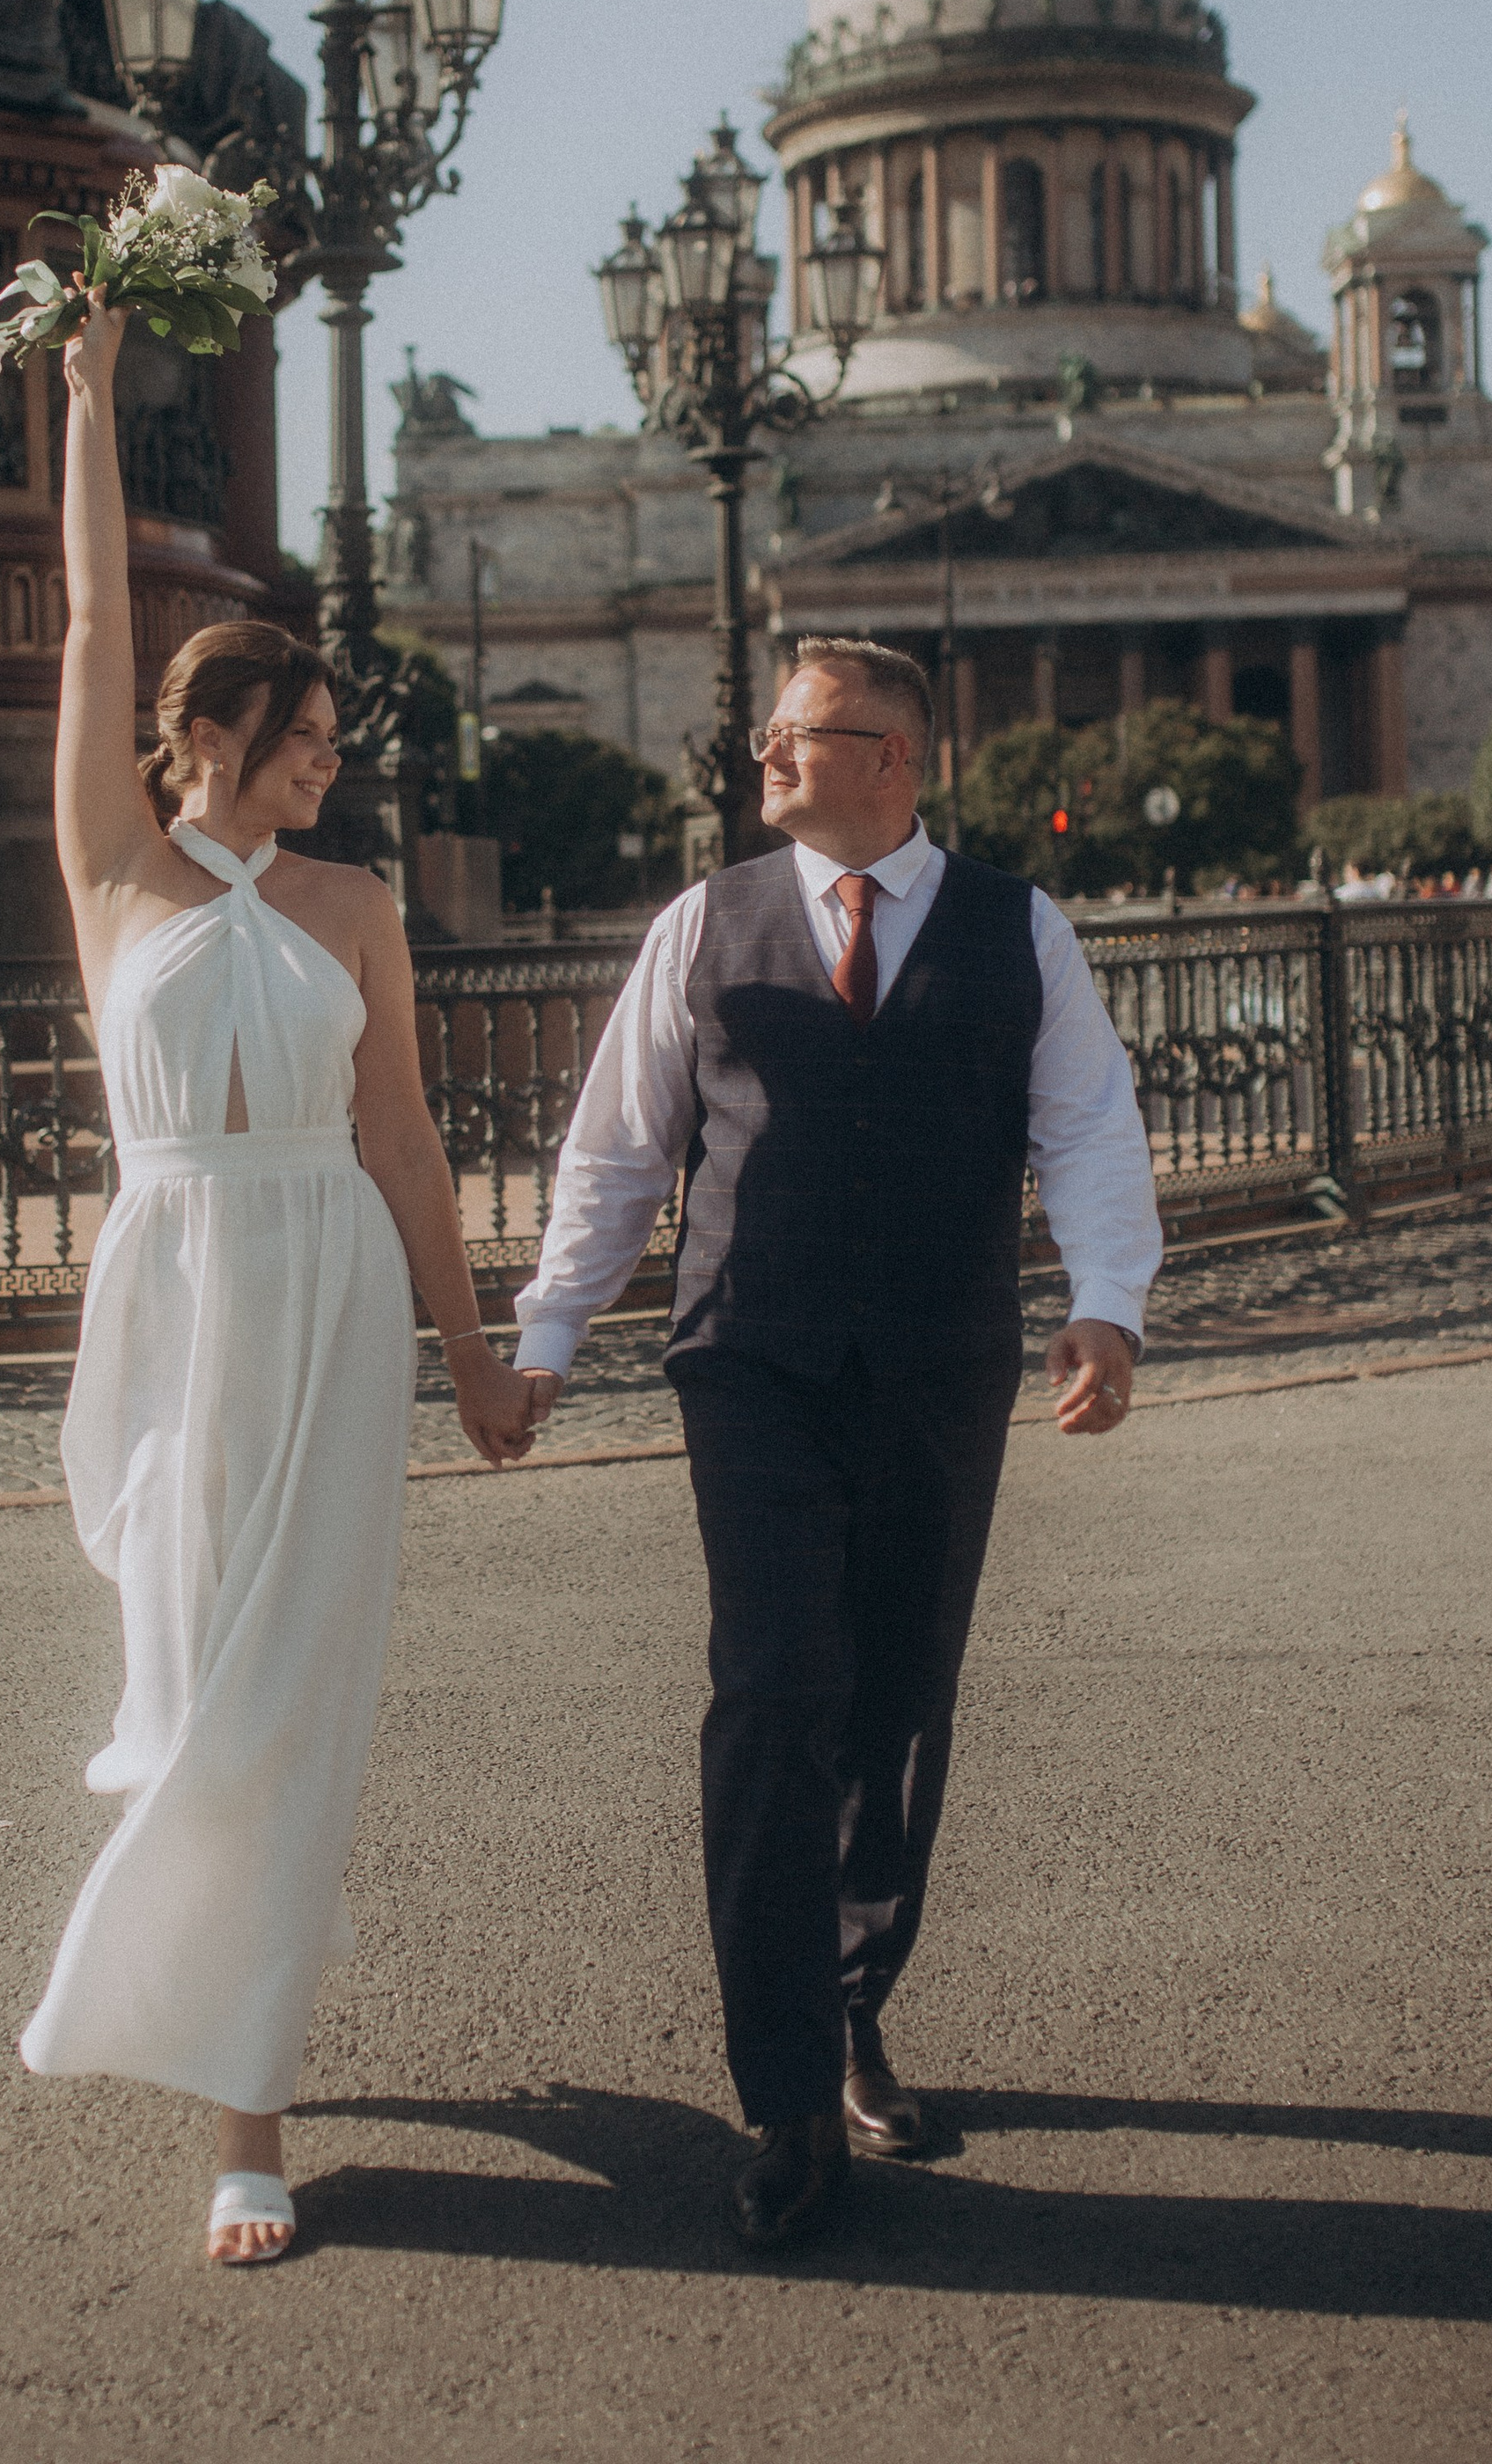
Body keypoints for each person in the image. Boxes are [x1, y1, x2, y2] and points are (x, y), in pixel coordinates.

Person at [512, 635, 1161, 2249]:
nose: (766, 762)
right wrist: (541, 1334)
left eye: (799, 738)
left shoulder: (1026, 928)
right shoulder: (703, 924)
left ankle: (859, 2005)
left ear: (897, 758)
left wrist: (1110, 1305)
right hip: (754, 1359)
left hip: (944, 1362)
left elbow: (1087, 1121)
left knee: (895, 1696)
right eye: (767, 739)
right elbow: (618, 1150)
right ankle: (788, 2086)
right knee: (773, 1690)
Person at [19, 288, 540, 2262]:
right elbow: (86, 634)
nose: (330, 760)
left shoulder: (354, 905)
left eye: (337, 738)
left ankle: (248, 2113)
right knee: (183, 1678)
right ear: (219, 733)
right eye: (306, 733)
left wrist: (475, 1365)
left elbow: (403, 1141)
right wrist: (86, 398)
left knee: (286, 1700)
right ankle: (201, 1929)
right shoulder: (115, 871)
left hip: (325, 1297)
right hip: (173, 1294)